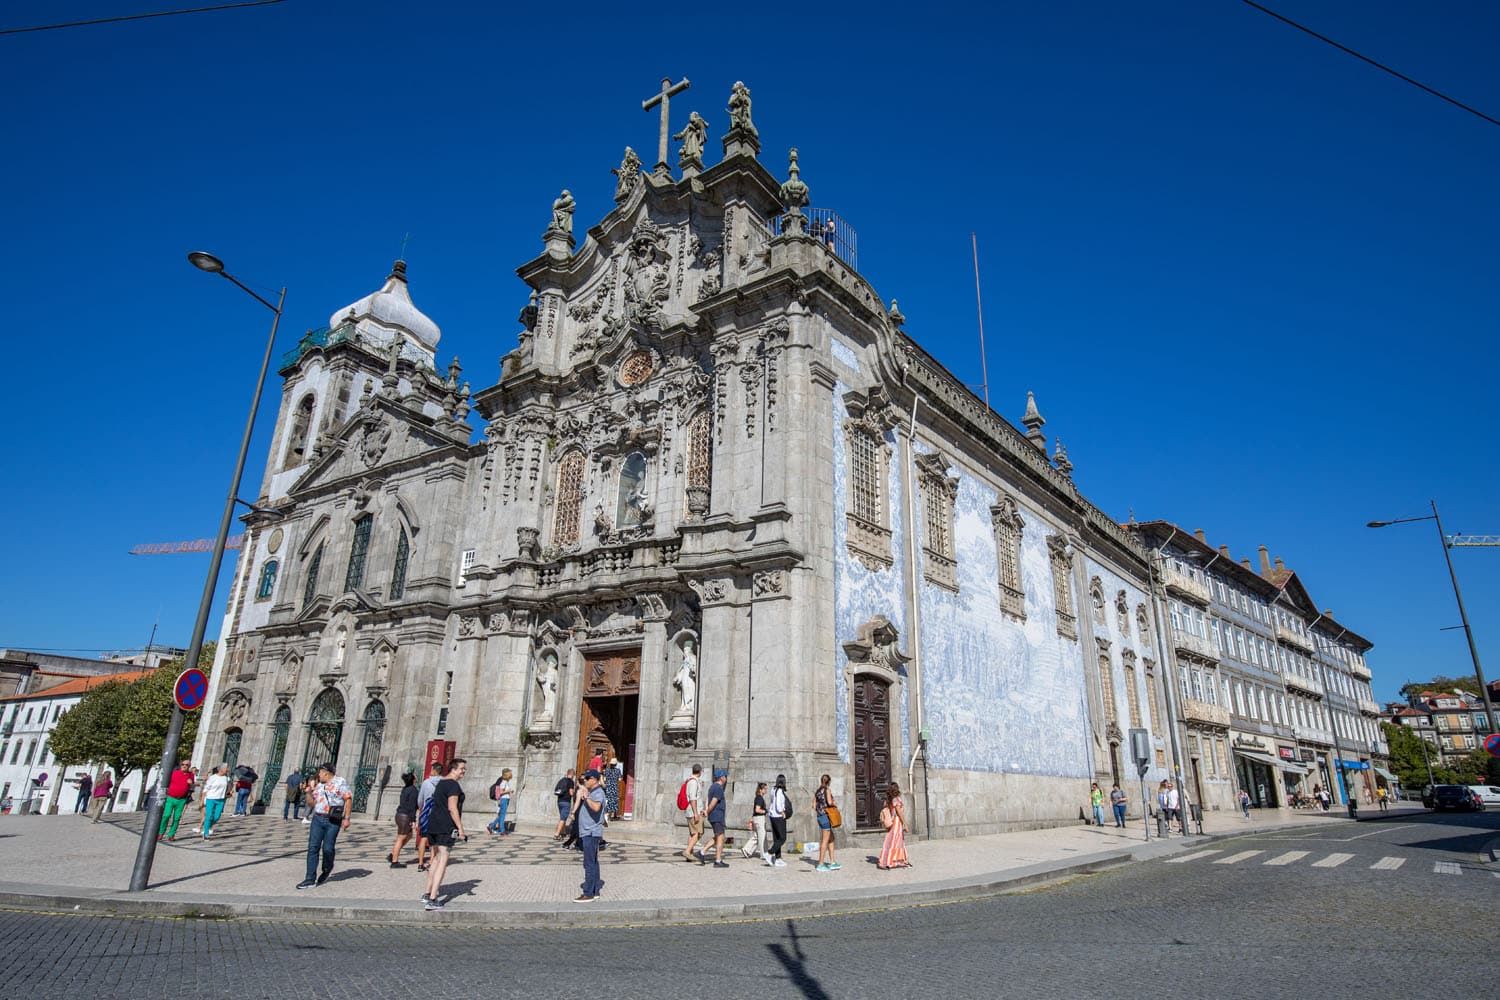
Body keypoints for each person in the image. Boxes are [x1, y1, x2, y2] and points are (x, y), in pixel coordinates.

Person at [297, 762, 352, 890]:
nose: (318, 774)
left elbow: (348, 799)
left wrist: (347, 818)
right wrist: (308, 793)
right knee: (313, 847)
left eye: (320, 772)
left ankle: (327, 867)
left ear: (326, 772)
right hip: (318, 818)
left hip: (333, 819)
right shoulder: (319, 785)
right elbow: (311, 804)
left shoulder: (340, 782)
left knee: (328, 848)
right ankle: (310, 878)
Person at [422, 758, 468, 911]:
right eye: (462, 768)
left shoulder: (441, 782)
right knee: (443, 860)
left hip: (433, 824)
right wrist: (460, 828)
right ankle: (434, 898)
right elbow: (452, 808)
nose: (463, 771)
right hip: (445, 826)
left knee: (434, 859)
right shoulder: (453, 785)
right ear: (453, 769)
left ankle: (427, 893)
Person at [573, 768, 607, 902]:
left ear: (593, 780)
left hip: (591, 832)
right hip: (588, 831)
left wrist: (586, 797)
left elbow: (596, 808)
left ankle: (588, 893)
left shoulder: (597, 792)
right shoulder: (594, 791)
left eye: (587, 779)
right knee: (593, 861)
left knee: (589, 863)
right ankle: (595, 890)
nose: (585, 781)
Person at [415, 761, 445, 872]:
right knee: (435, 839)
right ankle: (432, 861)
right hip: (438, 812)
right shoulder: (444, 782)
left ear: (434, 770)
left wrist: (421, 807)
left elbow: (420, 799)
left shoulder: (426, 782)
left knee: (423, 838)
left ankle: (420, 863)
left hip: (427, 812)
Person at [157, 760, 194, 842]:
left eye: (187, 765)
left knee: (177, 818)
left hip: (181, 800)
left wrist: (191, 784)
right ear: (180, 765)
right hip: (171, 798)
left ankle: (171, 834)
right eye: (183, 764)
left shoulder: (191, 775)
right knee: (166, 815)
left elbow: (192, 787)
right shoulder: (174, 773)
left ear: (189, 766)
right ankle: (161, 833)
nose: (184, 766)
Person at [877, 783, 910, 870]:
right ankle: (892, 860)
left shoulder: (889, 800)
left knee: (891, 840)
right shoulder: (897, 800)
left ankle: (890, 859)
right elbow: (899, 813)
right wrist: (905, 823)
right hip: (897, 822)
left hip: (892, 822)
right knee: (896, 841)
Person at [390, 770, 418, 868]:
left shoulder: (405, 788)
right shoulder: (413, 790)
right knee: (401, 838)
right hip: (405, 816)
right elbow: (412, 806)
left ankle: (394, 853)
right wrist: (413, 820)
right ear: (413, 780)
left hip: (400, 815)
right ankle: (394, 861)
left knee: (409, 835)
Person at [703, 768, 729, 868]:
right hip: (717, 816)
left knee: (719, 837)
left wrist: (706, 810)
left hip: (715, 816)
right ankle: (717, 860)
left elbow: (707, 800)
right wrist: (707, 811)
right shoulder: (718, 788)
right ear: (721, 777)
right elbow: (713, 802)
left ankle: (702, 852)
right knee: (720, 837)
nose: (726, 778)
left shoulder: (712, 787)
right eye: (725, 776)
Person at [815, 773, 840, 871]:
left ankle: (832, 861)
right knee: (825, 840)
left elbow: (814, 805)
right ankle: (820, 864)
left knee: (831, 838)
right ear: (829, 782)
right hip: (826, 816)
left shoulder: (817, 791)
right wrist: (834, 803)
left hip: (820, 816)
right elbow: (829, 802)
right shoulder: (827, 790)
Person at [681, 763, 705, 861]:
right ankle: (687, 851)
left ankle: (689, 855)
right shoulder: (693, 782)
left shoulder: (691, 781)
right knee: (698, 833)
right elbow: (693, 799)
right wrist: (696, 813)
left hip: (691, 811)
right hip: (693, 811)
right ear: (700, 772)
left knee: (693, 833)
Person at [765, 774, 790, 867]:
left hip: (772, 816)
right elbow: (778, 805)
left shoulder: (773, 789)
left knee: (777, 838)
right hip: (778, 817)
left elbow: (772, 802)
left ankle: (778, 858)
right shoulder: (779, 791)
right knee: (782, 838)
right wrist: (782, 812)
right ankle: (769, 853)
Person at [200, 764, 230, 839]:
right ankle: (206, 833)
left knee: (217, 817)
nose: (228, 769)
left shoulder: (226, 778)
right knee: (209, 816)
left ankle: (208, 825)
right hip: (211, 798)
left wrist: (229, 792)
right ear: (221, 769)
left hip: (221, 799)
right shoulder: (212, 778)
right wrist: (202, 800)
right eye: (226, 768)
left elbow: (229, 786)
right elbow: (206, 788)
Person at [743, 781, 768, 861]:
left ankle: (746, 850)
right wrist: (765, 811)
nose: (766, 791)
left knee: (757, 836)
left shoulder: (757, 797)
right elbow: (757, 809)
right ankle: (763, 854)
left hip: (756, 819)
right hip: (759, 818)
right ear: (760, 790)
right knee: (762, 836)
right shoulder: (759, 798)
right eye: (765, 789)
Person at [487, 768, 513, 835]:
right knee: (502, 815)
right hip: (504, 799)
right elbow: (500, 792)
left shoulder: (506, 782)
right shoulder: (503, 782)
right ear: (507, 774)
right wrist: (509, 791)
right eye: (510, 773)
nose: (511, 775)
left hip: (506, 799)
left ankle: (491, 826)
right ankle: (502, 830)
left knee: (501, 815)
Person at [552, 768, 577, 839]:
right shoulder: (570, 782)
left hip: (560, 801)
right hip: (566, 801)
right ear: (573, 775)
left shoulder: (562, 780)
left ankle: (563, 832)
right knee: (563, 818)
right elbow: (571, 793)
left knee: (563, 817)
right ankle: (557, 834)